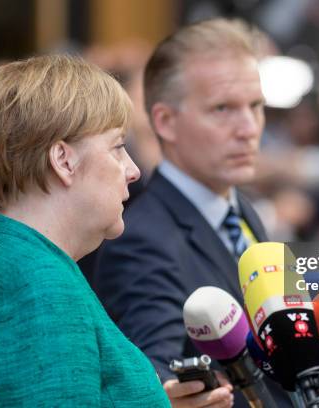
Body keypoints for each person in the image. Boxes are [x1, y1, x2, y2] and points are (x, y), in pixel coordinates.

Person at [0, 55, 170, 407]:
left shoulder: (1, 251)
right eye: (118, 147)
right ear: (63, 160)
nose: (133, 170)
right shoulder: (37, 286)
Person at [94, 18, 289, 407]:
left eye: (255, 106)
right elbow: (156, 375)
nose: (249, 128)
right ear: (165, 121)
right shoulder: (140, 239)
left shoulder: (239, 207)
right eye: (223, 109)